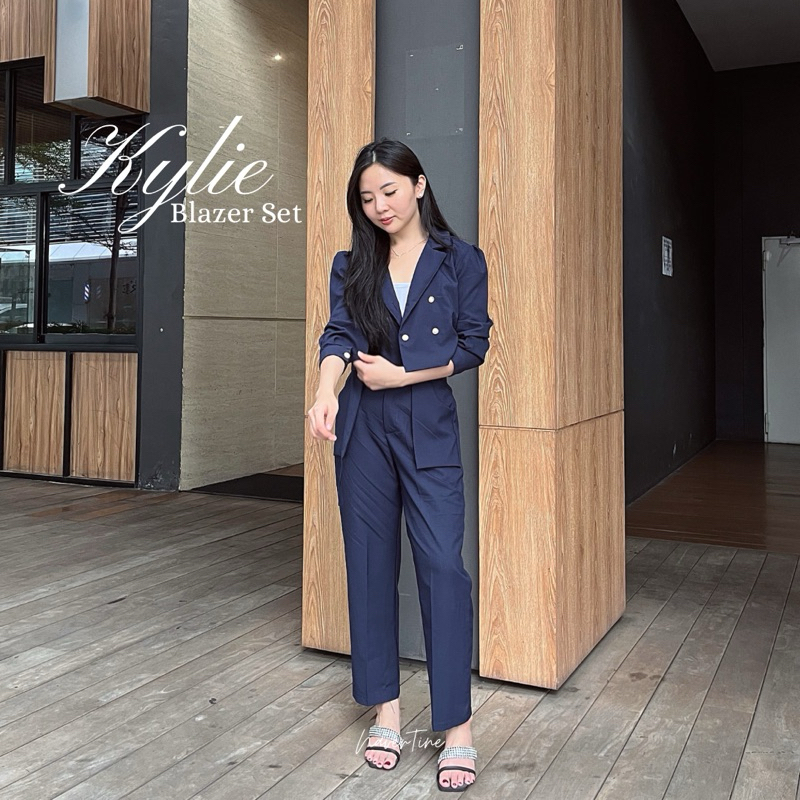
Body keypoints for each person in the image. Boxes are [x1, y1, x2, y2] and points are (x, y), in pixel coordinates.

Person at [308, 137, 493, 792]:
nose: (380, 206)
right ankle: (385, 711)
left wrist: (404, 374)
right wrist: (325, 393)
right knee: (369, 565)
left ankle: (456, 728)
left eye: (389, 190)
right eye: (367, 197)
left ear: (418, 185)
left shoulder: (461, 260)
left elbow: (474, 344)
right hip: (363, 427)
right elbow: (339, 334)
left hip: (427, 424)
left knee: (443, 566)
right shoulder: (351, 264)